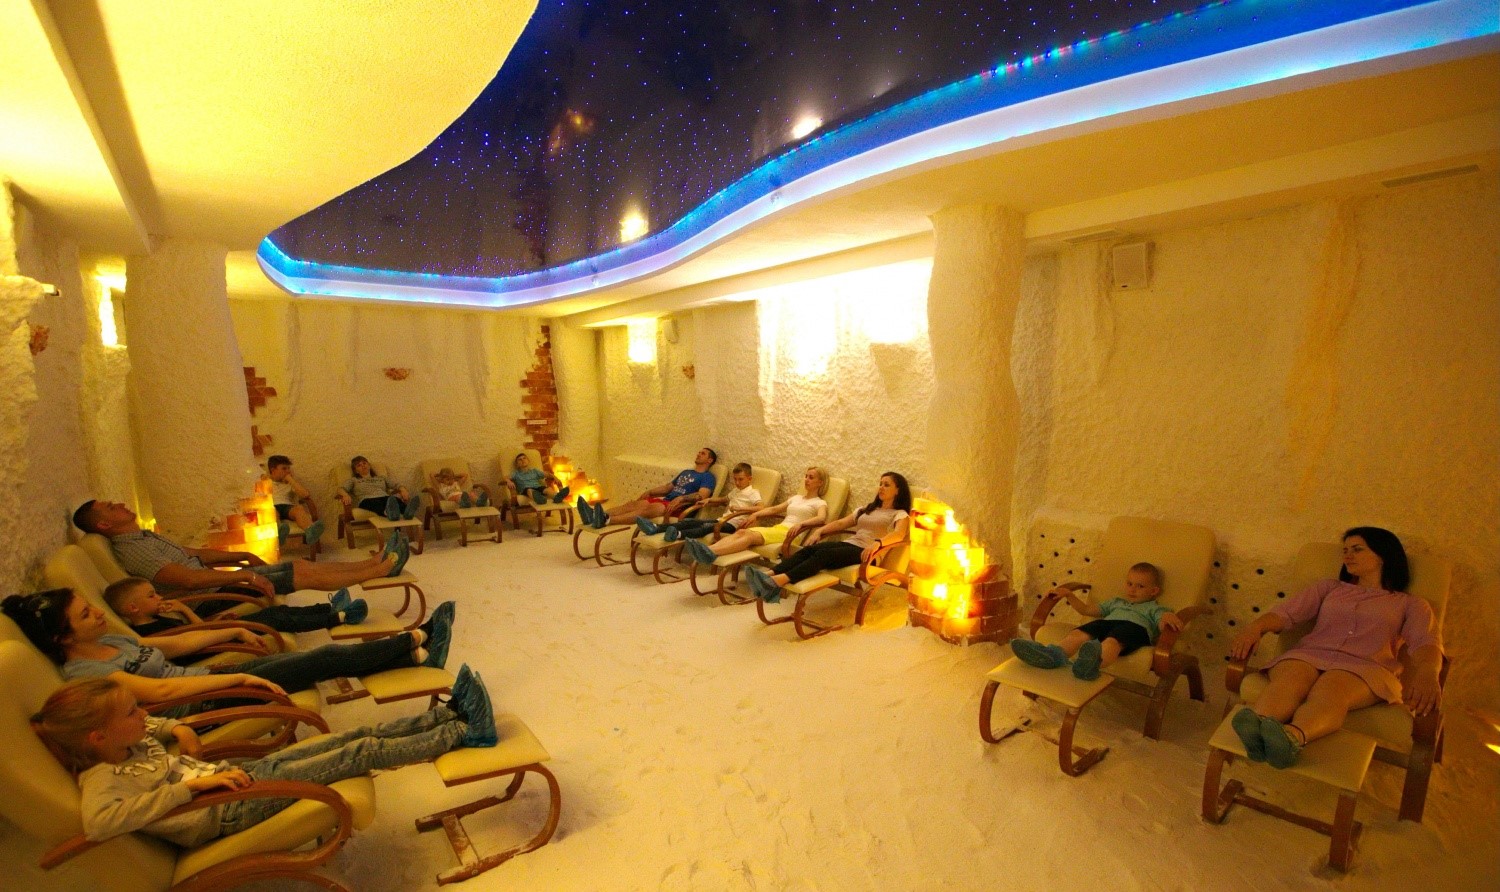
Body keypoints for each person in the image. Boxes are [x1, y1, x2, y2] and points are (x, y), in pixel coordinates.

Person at [30, 668, 496, 847]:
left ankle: (444, 716)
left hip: (237, 778)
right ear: (97, 737)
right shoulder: (101, 778)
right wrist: (189, 789)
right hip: (229, 809)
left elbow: (156, 724)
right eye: (133, 712)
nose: (144, 715)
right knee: (360, 752)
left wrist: (178, 728)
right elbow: (99, 824)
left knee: (352, 735)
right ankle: (464, 732)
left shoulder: (125, 738)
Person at [1, 589, 457, 719]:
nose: (99, 614)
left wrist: (236, 628)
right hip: (201, 702)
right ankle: (414, 638)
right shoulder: (87, 673)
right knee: (320, 660)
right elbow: (165, 692)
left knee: (312, 660)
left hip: (204, 679)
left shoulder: (113, 642)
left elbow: (176, 645)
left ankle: (416, 658)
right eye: (86, 615)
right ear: (62, 638)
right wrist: (239, 677)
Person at [1225, 527, 1441, 769]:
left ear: (1383, 556)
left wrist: (1429, 672)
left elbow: (1425, 642)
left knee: (1331, 690)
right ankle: (1258, 727)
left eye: (1357, 549)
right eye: (1345, 550)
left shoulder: (1410, 604)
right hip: (1310, 654)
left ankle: (1291, 738)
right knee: (1290, 679)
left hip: (1365, 667)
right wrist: (1255, 627)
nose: (1348, 555)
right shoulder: (1330, 588)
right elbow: (1286, 614)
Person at [73, 499, 409, 602]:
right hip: (213, 595)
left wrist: (241, 556)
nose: (120, 504)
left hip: (218, 581)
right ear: (103, 524)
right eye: (111, 508)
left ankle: (374, 564)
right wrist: (243, 575)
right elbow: (188, 580)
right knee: (302, 572)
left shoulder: (142, 537)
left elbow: (193, 554)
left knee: (302, 566)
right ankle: (378, 570)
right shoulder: (133, 551)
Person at [744, 472, 911, 603]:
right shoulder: (867, 509)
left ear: (898, 490)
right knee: (809, 550)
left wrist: (877, 544)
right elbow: (841, 523)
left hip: (868, 554)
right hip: (851, 545)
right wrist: (820, 531)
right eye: (880, 484)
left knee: (823, 555)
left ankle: (777, 582)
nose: (881, 488)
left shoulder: (899, 514)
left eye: (886, 485)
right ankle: (769, 574)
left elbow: (899, 534)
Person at [1009, 563, 1181, 681]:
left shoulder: (1154, 608)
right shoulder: (1116, 602)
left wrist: (1167, 617)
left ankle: (1092, 666)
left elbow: (1162, 624)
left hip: (1135, 629)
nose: (1132, 589)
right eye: (1129, 584)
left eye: (1140, 586)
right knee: (1079, 633)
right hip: (1107, 624)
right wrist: (1069, 595)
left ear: (1154, 591)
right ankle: (1052, 655)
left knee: (1112, 642)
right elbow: (1086, 610)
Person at [107, 575, 369, 636]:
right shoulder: (151, 633)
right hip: (221, 642)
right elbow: (196, 636)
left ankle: (327, 608)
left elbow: (197, 630)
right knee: (278, 620)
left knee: (275, 612)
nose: (158, 598)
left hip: (218, 632)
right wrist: (184, 609)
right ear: (133, 608)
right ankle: (339, 617)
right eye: (151, 596)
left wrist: (215, 621)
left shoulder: (154, 619)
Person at [681, 467, 829, 565]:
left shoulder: (819, 502)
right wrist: (756, 514)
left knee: (750, 536)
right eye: (806, 476)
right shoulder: (796, 498)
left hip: (791, 534)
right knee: (741, 532)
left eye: (811, 477)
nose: (806, 480)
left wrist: (801, 524)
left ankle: (711, 552)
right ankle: (709, 550)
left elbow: (821, 518)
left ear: (820, 482)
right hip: (779, 529)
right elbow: (774, 509)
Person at [576, 448, 718, 529]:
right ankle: (595, 515)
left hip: (679, 507)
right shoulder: (687, 472)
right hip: (666, 501)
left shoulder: (707, 477)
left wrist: (681, 498)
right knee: (634, 504)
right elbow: (668, 487)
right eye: (699, 452)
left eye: (703, 453)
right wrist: (650, 491)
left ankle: (607, 520)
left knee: (651, 508)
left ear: (709, 460)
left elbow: (702, 496)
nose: (698, 454)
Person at [637, 462, 762, 541]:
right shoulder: (736, 491)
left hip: (733, 525)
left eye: (741, 479)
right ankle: (656, 528)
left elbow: (761, 508)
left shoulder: (753, 492)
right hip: (722, 520)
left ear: (749, 478)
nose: (737, 482)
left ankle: (678, 535)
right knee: (691, 522)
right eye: (735, 479)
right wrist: (709, 499)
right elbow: (724, 499)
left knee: (706, 527)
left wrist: (741, 509)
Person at [335, 455, 421, 522]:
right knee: (376, 503)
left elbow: (396, 485)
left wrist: (403, 490)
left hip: (384, 497)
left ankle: (407, 512)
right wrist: (345, 495)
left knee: (394, 499)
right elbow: (340, 489)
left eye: (364, 463)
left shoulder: (381, 478)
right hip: (367, 500)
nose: (363, 466)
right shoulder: (354, 480)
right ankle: (388, 512)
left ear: (369, 465)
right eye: (359, 465)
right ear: (356, 471)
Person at [264, 455, 324, 547]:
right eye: (284, 468)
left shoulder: (290, 483)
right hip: (271, 506)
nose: (288, 471)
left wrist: (291, 480)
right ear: (273, 470)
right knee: (273, 512)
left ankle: (310, 531)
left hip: (286, 507)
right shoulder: (265, 482)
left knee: (299, 509)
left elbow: (305, 495)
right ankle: (280, 531)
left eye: (288, 468)